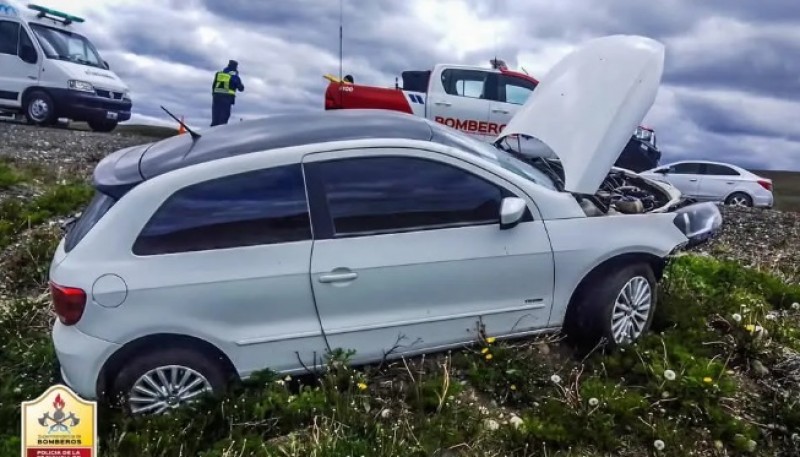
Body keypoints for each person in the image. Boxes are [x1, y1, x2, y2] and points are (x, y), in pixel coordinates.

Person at [210, 60, 245, 126]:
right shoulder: (234, 76)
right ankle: (220, 133)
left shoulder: (219, 74)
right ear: (235, 67)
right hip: (226, 98)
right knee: (224, 117)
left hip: (216, 97)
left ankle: (212, 133)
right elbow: (241, 88)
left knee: (215, 117)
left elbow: (214, 85)